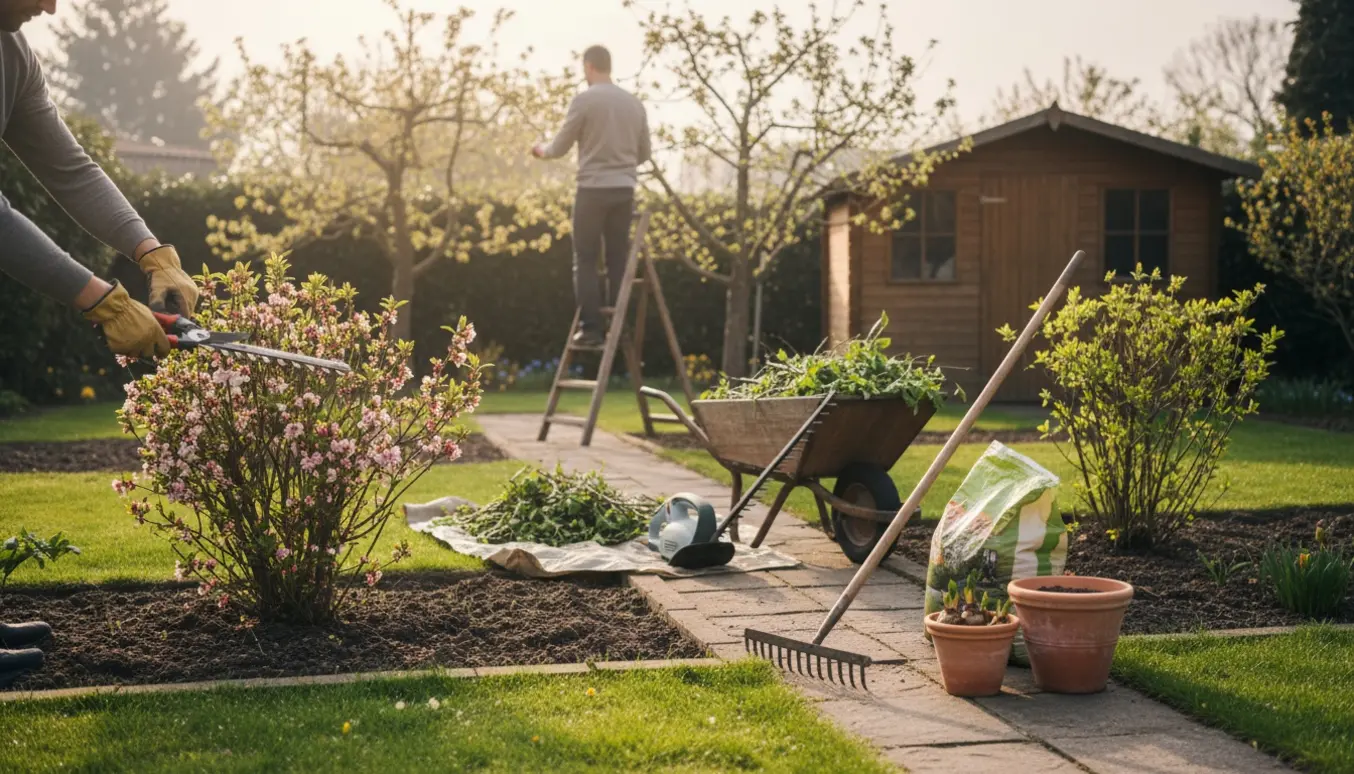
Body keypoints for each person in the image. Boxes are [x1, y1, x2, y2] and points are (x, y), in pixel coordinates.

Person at [0, 0, 199, 688]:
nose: (54, 5)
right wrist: (100, 298)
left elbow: (70, 168)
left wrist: (154, 254)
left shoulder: (13, 53)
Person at [532, 44, 650, 348]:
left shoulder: (584, 101)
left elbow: (558, 148)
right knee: (617, 259)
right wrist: (620, 163)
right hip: (624, 189)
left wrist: (540, 150)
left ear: (588, 67)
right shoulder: (634, 104)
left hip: (592, 189)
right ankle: (618, 326)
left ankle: (591, 329)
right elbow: (644, 153)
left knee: (584, 259)